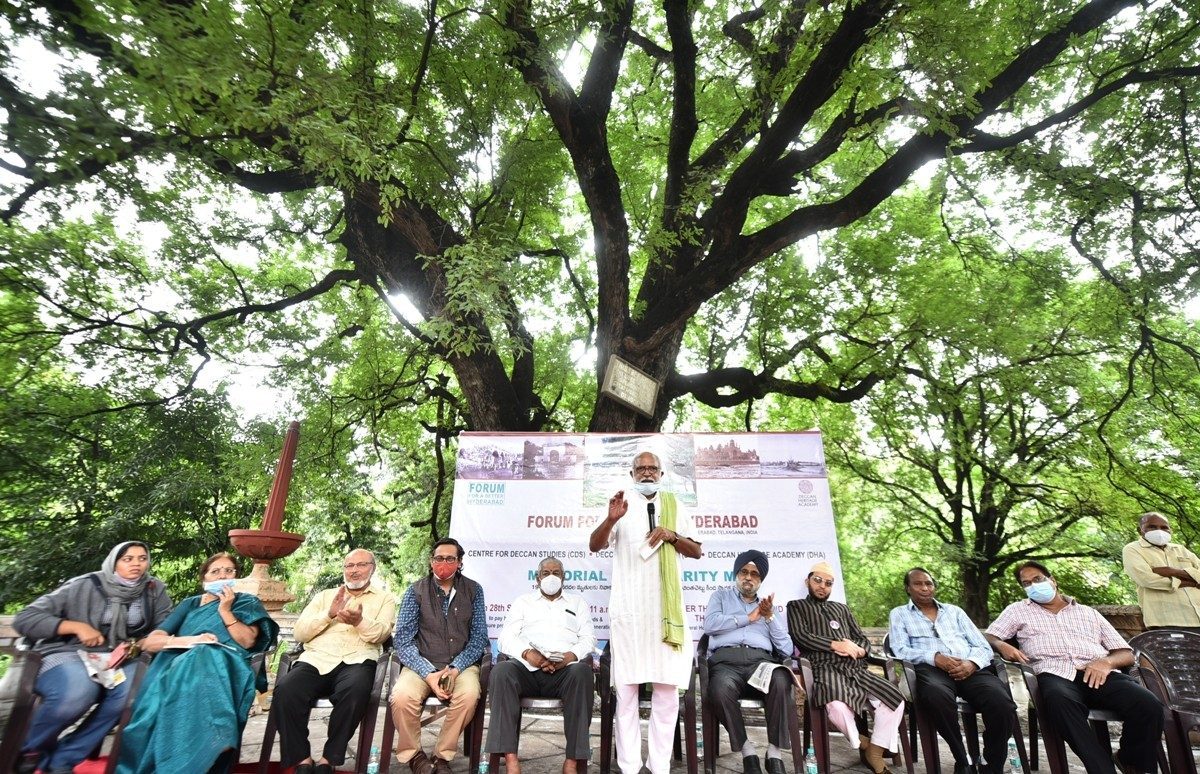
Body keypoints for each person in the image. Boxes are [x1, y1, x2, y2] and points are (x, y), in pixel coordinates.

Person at [985, 561, 1163, 774]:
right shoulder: (1018, 611)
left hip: (1098, 673)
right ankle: (1102, 770)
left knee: (1148, 705)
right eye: (1026, 583)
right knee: (1060, 702)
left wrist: (1105, 662)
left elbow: (1125, 653)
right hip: (1054, 674)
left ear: (1053, 580)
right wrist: (1002, 644)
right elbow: (989, 635)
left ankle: (1129, 761)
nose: (1033, 586)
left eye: (1037, 579)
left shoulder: (1089, 613)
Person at [12, 541, 174, 774]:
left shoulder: (153, 589)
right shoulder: (84, 584)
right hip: (70, 653)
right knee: (79, 690)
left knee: (134, 692)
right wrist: (75, 626)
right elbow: (25, 618)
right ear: (114, 561)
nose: (137, 564)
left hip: (121, 658)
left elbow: (163, 626)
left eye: (142, 558)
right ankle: (32, 749)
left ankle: (65, 758)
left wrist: (142, 642)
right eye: (128, 559)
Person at [589, 450, 703, 774]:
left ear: (662, 474)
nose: (647, 472)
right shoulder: (620, 505)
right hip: (629, 615)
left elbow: (696, 550)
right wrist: (611, 519)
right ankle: (628, 767)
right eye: (641, 468)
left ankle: (659, 766)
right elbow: (594, 545)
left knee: (666, 694)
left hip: (665, 613)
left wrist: (671, 535)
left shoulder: (675, 506)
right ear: (632, 473)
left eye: (653, 468)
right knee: (626, 694)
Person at [115, 551, 278, 773]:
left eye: (228, 571)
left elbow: (248, 641)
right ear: (204, 579)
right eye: (215, 571)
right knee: (197, 655)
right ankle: (212, 739)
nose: (222, 576)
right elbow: (150, 642)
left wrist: (225, 610)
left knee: (204, 655)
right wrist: (193, 640)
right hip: (178, 665)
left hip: (227, 666)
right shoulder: (190, 604)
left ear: (236, 577)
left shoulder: (247, 602)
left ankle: (209, 743)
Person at [273, 548, 397, 774]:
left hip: (357, 660)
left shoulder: (384, 599)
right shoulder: (324, 596)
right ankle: (302, 759)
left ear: (372, 568)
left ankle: (328, 759)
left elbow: (380, 634)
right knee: (285, 690)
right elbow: (300, 633)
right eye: (349, 566)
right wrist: (328, 614)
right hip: (317, 659)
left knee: (356, 691)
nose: (354, 570)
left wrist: (359, 621)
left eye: (361, 565)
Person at [888, 568, 1015, 774]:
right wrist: (935, 658)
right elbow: (899, 650)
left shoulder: (954, 611)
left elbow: (982, 645)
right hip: (931, 669)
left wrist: (972, 663)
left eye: (929, 583)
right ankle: (961, 759)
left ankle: (991, 764)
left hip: (969, 667)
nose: (925, 588)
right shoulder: (899, 614)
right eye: (918, 584)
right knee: (936, 697)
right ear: (908, 588)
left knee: (1003, 704)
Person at [787, 561, 905, 774]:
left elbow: (862, 639)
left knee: (895, 699)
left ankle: (875, 750)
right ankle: (863, 744)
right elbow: (800, 636)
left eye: (828, 583)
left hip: (856, 669)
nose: (823, 586)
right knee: (837, 707)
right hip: (824, 668)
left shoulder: (841, 608)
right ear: (808, 582)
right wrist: (836, 645)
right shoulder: (796, 606)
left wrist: (860, 650)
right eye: (818, 580)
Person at [486, 555, 597, 774]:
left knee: (582, 672)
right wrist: (528, 654)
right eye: (546, 573)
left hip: (564, 672)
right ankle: (510, 760)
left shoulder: (577, 603)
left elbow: (588, 639)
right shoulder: (523, 602)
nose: (551, 577)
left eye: (556, 573)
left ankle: (572, 762)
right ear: (537, 578)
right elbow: (506, 638)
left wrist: (570, 656)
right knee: (501, 671)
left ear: (564, 578)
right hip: (526, 670)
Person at [390, 537, 489, 774]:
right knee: (402, 697)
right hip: (421, 664)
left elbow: (478, 639)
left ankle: (441, 756)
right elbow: (402, 640)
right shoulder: (415, 591)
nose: (443, 563)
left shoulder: (474, 590)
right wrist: (429, 674)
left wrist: (455, 668)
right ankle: (414, 756)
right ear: (431, 561)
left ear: (459, 562)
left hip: (461, 665)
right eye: (438, 558)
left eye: (450, 558)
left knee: (469, 695)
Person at [702, 550, 795, 774]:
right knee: (719, 688)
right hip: (726, 662)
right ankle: (747, 750)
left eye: (754, 574)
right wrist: (749, 618)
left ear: (760, 580)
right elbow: (710, 625)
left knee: (781, 678)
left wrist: (769, 617)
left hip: (760, 663)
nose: (748, 577)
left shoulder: (770, 608)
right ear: (736, 574)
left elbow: (786, 648)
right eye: (744, 571)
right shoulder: (721, 597)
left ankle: (774, 753)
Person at [1121, 511, 1200, 632]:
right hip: (1166, 618)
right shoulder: (1132, 549)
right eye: (1152, 527)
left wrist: (1172, 571)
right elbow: (1146, 579)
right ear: (1139, 530)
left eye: (1164, 527)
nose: (1159, 531)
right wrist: (1192, 582)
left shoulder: (1180, 549)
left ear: (1170, 530)